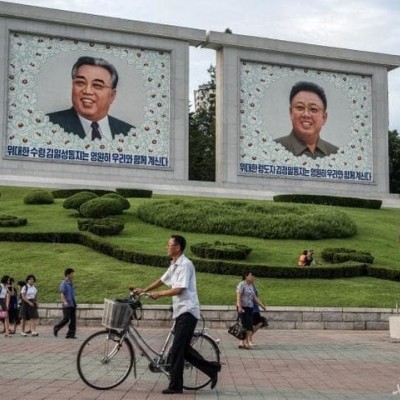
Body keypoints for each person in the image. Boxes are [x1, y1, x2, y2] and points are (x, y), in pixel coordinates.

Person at [130, 235, 221, 394]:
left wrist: (159, 294)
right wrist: (145, 290)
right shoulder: (174, 264)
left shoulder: (185, 265)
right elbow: (162, 280)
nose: (167, 247)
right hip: (181, 311)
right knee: (182, 349)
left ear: (177, 247)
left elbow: (179, 289)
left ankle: (176, 386)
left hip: (188, 311)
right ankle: (212, 369)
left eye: (169, 244)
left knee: (178, 350)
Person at [47, 56, 135, 140]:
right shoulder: (48, 124)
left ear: (112, 96)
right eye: (80, 83)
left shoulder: (130, 133)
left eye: (97, 85)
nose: (87, 91)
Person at [275, 81, 339, 158]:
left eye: (313, 109)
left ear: (324, 118)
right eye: (300, 107)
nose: (306, 114)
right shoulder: (274, 149)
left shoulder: (336, 154)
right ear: (291, 113)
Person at [236, 271, 266, 349]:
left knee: (248, 325)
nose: (253, 277)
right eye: (251, 275)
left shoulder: (251, 285)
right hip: (243, 307)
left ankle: (245, 342)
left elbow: (254, 297)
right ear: (246, 276)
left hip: (250, 308)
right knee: (246, 324)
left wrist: (262, 305)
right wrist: (239, 307)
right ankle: (245, 343)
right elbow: (238, 297)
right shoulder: (241, 284)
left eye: (253, 276)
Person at [53, 268, 77, 339]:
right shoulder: (63, 283)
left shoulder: (71, 282)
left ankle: (71, 334)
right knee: (66, 319)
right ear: (68, 274)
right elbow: (62, 294)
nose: (73, 275)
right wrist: (65, 301)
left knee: (73, 320)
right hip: (67, 304)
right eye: (72, 274)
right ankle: (56, 328)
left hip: (72, 303)